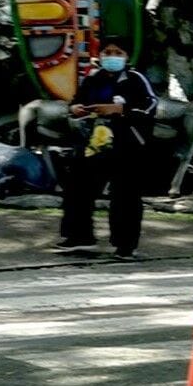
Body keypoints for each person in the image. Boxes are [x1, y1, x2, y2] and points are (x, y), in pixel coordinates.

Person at [55, 41, 156, 259]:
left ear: (126, 56)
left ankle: (125, 245)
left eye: (117, 53)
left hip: (127, 144)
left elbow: (151, 105)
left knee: (125, 196)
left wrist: (121, 109)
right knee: (77, 189)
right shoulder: (92, 78)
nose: (111, 57)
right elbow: (75, 103)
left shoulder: (136, 79)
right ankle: (79, 237)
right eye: (107, 53)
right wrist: (76, 109)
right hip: (93, 142)